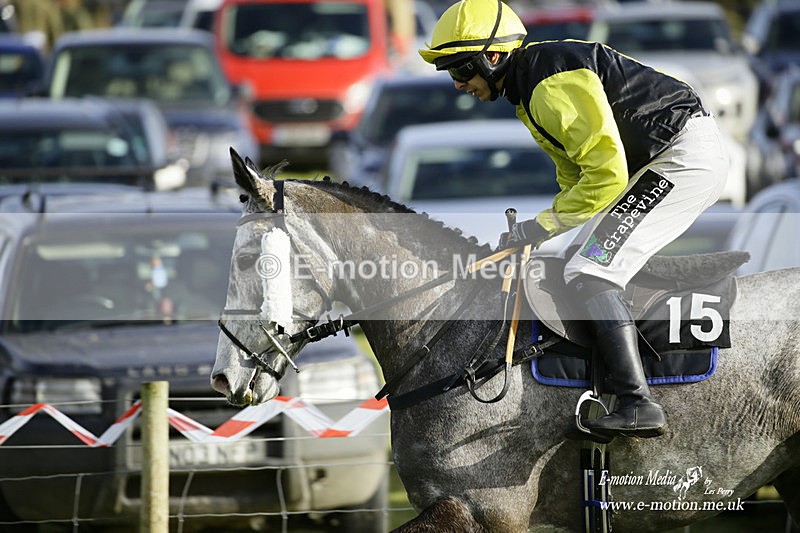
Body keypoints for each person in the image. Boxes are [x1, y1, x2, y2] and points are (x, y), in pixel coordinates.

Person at [419, 0, 728, 438]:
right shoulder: (529, 88)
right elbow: (575, 178)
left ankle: (639, 402)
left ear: (492, 56)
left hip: (681, 158)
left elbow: (605, 177)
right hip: (664, 157)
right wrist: (538, 236)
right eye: (449, 72)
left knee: (590, 270)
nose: (458, 84)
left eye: (461, 69)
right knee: (574, 262)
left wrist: (538, 227)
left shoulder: (546, 84)